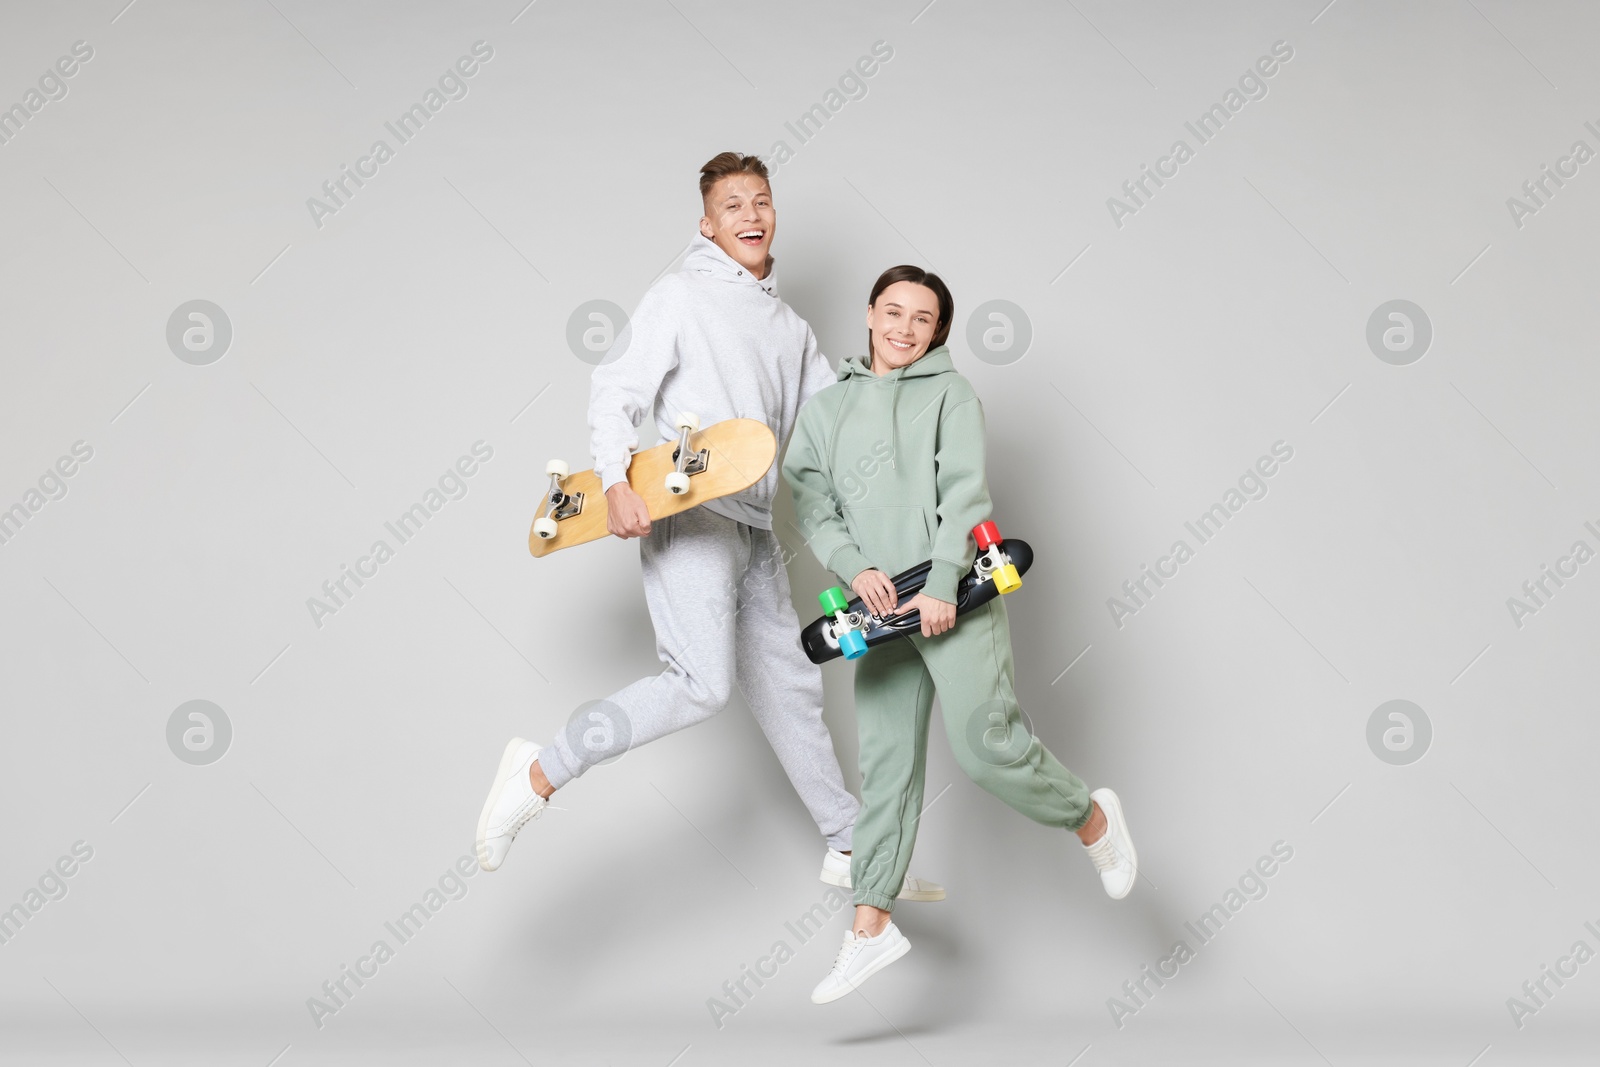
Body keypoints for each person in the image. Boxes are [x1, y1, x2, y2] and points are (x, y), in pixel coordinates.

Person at [473, 154, 942, 906]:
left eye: (761, 201)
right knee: (701, 684)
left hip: (755, 530)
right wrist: (618, 479)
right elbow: (616, 388)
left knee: (790, 687)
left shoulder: (788, 329)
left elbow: (836, 421)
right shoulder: (681, 296)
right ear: (707, 224)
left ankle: (850, 844)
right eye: (733, 206)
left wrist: (907, 380)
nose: (751, 214)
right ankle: (539, 770)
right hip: (689, 513)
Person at [782, 265, 1138, 1004]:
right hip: (877, 614)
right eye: (893, 312)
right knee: (886, 773)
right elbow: (813, 504)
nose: (904, 328)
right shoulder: (826, 411)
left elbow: (963, 492)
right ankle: (871, 929)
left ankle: (1091, 815)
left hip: (953, 598)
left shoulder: (950, 395)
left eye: (922, 318)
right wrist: (854, 568)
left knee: (986, 749)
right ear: (870, 313)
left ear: (938, 330)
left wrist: (944, 581)